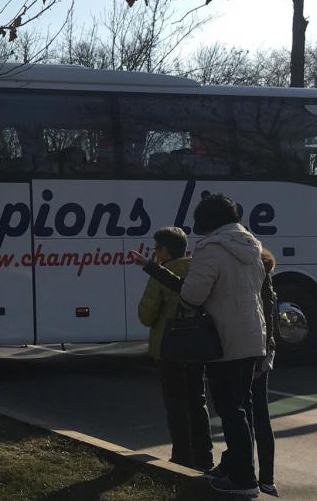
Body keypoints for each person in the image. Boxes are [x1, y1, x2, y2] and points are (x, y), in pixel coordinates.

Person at [136, 194, 267, 497]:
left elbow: (192, 296)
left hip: (224, 339)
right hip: (251, 336)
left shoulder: (210, 250)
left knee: (230, 410)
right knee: (241, 407)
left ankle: (244, 479)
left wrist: (157, 272)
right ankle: (234, 466)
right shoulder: (252, 246)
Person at [133, 226, 213, 471]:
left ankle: (181, 455)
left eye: (156, 248)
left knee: (176, 404)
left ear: (165, 250)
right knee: (198, 401)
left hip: (170, 349)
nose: (155, 253)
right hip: (198, 347)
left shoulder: (162, 274)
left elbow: (146, 315)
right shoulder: (197, 271)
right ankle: (205, 455)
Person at [250, 248, 280, 497]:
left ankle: (250, 473)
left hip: (255, 354)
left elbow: (264, 322)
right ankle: (267, 478)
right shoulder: (267, 283)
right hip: (264, 353)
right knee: (260, 415)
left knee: (248, 415)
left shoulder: (256, 284)